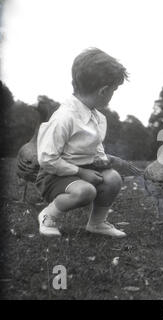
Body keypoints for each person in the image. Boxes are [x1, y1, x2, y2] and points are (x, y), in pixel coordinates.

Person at [36, 48, 128, 237]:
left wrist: (102, 159)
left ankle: (97, 223)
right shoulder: (64, 118)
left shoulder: (98, 117)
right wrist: (80, 172)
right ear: (103, 91)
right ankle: (48, 215)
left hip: (84, 169)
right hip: (54, 174)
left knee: (113, 179)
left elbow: (95, 145)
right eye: (114, 90)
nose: (113, 94)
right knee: (85, 191)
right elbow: (47, 158)